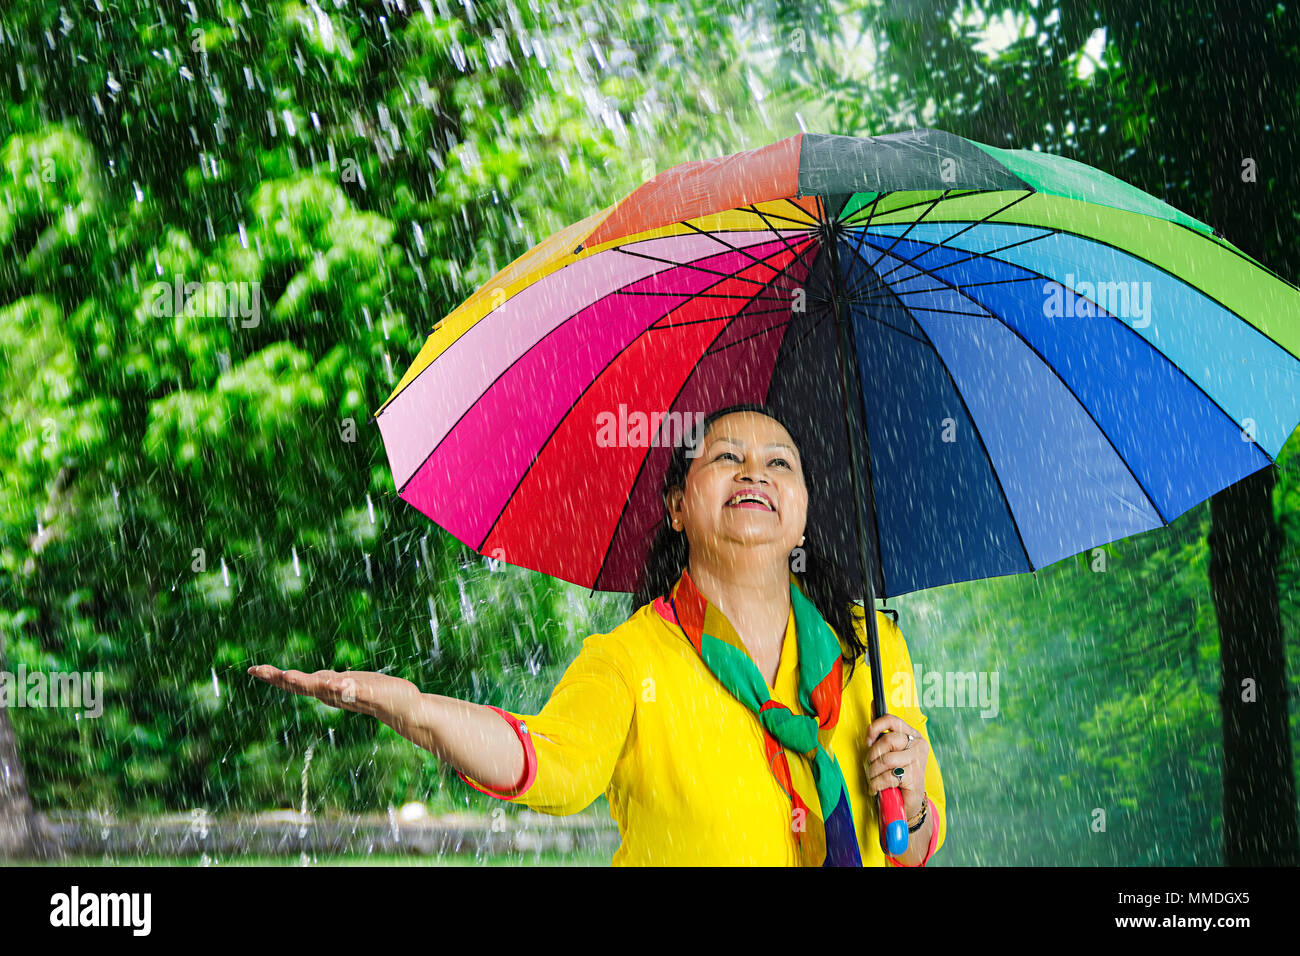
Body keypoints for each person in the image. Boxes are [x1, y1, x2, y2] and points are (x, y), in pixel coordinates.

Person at [249, 402, 945, 866]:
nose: (754, 471)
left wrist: (911, 806)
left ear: (800, 516)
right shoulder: (629, 658)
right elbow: (551, 766)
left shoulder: (870, 649)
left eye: (780, 463)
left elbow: (916, 846)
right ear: (677, 506)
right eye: (726, 458)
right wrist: (421, 710)